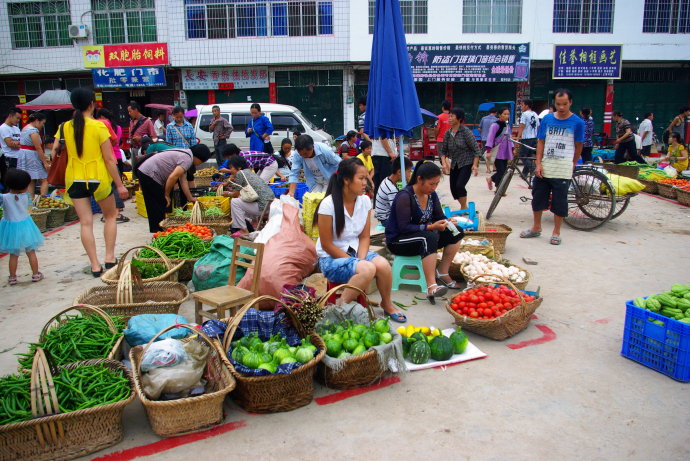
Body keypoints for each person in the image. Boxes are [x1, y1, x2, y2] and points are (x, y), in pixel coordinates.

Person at [315, 158, 405, 322]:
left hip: (355, 251)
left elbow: (364, 237)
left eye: (366, 178)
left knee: (383, 265)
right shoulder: (328, 205)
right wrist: (355, 262)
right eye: (361, 178)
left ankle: (387, 303)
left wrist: (360, 259)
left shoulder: (364, 201)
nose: (366, 182)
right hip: (331, 259)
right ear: (346, 180)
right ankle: (340, 310)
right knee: (367, 269)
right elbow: (327, 245)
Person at [62, 88, 128, 276]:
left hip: (75, 178)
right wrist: (120, 184)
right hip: (97, 178)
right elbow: (109, 159)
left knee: (85, 222)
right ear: (92, 104)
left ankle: (94, 265)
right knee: (110, 217)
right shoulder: (99, 126)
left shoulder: (65, 126)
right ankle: (109, 258)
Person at [386, 161, 462, 303]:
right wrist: (429, 227)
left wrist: (448, 221)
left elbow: (439, 217)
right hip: (398, 240)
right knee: (429, 237)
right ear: (419, 179)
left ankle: (443, 271)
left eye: (437, 184)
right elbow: (403, 227)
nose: (434, 187)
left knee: (456, 231)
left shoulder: (431, 195)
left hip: (421, 236)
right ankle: (431, 286)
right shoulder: (405, 196)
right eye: (431, 184)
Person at [520, 89, 584, 246]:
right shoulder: (547, 119)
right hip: (545, 166)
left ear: (570, 103)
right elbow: (541, 141)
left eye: (564, 104)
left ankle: (556, 232)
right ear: (554, 103)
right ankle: (536, 227)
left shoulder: (578, 123)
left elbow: (579, 145)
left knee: (559, 202)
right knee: (538, 197)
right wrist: (539, 163)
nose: (561, 107)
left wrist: (573, 163)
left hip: (563, 168)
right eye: (558, 104)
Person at [137, 143, 212, 233]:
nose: (200, 164)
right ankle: (158, 232)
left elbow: (182, 180)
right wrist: (167, 194)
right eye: (202, 162)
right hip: (150, 174)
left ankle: (159, 230)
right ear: (199, 158)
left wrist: (190, 198)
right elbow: (173, 177)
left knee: (159, 204)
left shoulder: (186, 155)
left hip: (147, 172)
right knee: (158, 204)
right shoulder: (187, 158)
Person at [0, 168, 45, 285]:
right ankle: (36, 274)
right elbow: (29, 209)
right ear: (24, 186)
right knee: (31, 252)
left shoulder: (4, 198)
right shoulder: (27, 196)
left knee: (13, 254)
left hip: (10, 228)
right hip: (26, 226)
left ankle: (12, 277)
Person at [221, 155, 275, 235]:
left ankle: (243, 230)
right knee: (245, 200)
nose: (230, 170)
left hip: (262, 207)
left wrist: (228, 193)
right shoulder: (249, 172)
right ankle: (254, 223)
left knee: (235, 202)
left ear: (239, 167)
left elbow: (236, 194)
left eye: (231, 167)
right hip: (270, 204)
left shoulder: (240, 174)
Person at [439, 108, 481, 210]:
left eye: (452, 116)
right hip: (455, 163)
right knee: (453, 188)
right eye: (449, 116)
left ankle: (463, 207)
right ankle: (464, 206)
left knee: (459, 185)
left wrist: (475, 165)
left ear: (459, 118)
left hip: (466, 162)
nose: (449, 118)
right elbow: (443, 151)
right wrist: (444, 164)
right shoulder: (448, 133)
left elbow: (476, 149)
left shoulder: (466, 132)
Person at [96, 109, 128, 223]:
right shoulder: (117, 127)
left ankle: (111, 213)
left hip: (106, 159)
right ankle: (116, 211)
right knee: (115, 184)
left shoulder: (100, 124)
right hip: (116, 156)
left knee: (110, 185)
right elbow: (116, 141)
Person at [17, 112, 49, 198]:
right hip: (31, 156)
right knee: (45, 179)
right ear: (37, 121)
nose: (42, 126)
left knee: (31, 179)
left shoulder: (25, 128)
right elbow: (38, 147)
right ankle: (42, 200)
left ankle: (30, 202)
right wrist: (44, 162)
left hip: (24, 155)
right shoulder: (33, 131)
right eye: (42, 123)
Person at [374, 156, 412, 227]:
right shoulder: (391, 189)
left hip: (385, 216)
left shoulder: (388, 180)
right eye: (409, 171)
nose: (410, 174)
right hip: (386, 219)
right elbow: (398, 210)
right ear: (400, 172)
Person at [485, 107, 513, 192]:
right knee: (501, 171)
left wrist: (512, 148)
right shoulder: (495, 125)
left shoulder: (507, 125)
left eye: (508, 114)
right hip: (497, 152)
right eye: (504, 114)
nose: (506, 116)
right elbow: (490, 138)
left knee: (503, 171)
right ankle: (498, 189)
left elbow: (509, 138)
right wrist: (488, 151)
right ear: (500, 115)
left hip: (505, 152)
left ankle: (490, 179)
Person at [517, 100, 539, 176]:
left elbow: (522, 126)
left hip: (526, 138)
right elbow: (538, 126)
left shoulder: (524, 114)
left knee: (523, 156)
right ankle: (524, 173)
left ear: (526, 106)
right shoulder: (535, 114)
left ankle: (534, 168)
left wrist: (518, 137)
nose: (522, 107)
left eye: (523, 105)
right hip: (534, 138)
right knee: (529, 157)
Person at [1, 109, 22, 183]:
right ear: (10, 116)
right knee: (11, 179)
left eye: (19, 119)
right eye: (17, 118)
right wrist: (17, 143)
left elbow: (21, 143)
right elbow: (9, 144)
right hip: (9, 157)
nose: (18, 120)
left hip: (18, 157)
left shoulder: (16, 128)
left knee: (18, 179)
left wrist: (16, 143)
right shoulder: (3, 128)